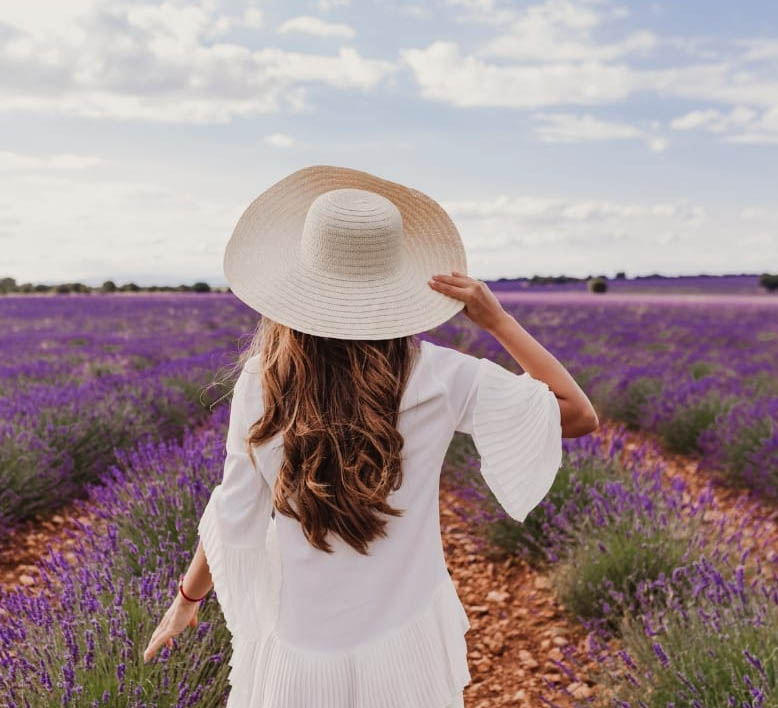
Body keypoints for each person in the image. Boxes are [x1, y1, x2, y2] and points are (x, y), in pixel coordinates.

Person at [142, 165, 599, 707]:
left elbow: (234, 512)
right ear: (395, 283)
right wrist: (497, 321)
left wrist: (187, 599)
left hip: (300, 645)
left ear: (296, 283)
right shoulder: (440, 375)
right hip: (405, 641)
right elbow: (577, 414)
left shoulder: (263, 381)